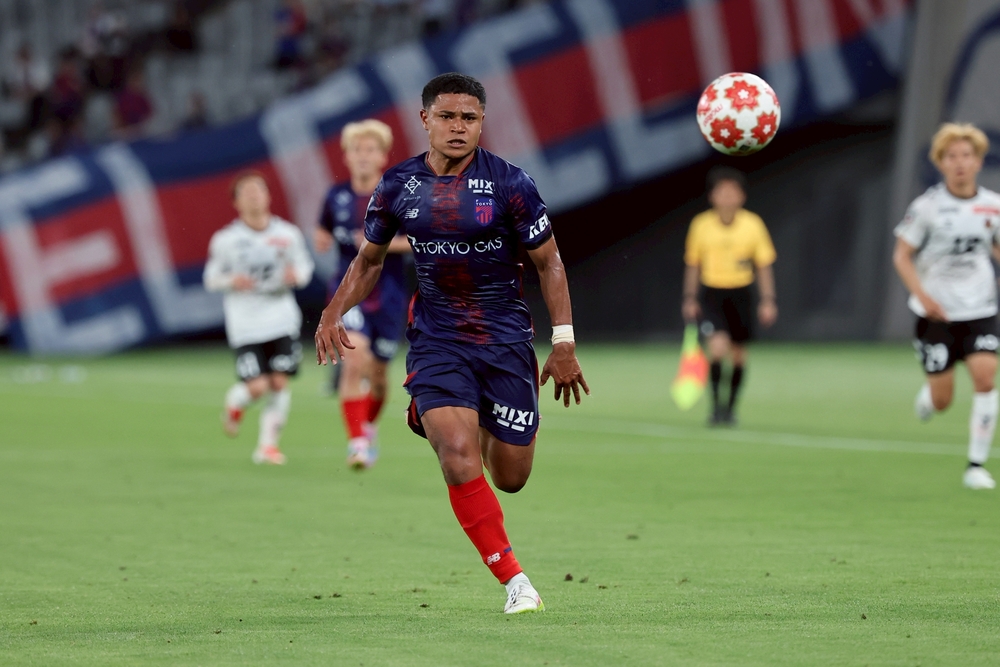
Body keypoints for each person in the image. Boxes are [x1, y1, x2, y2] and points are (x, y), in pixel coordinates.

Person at [315, 72, 589, 614]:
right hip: (437, 338)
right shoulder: (398, 185)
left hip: (505, 340)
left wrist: (563, 342)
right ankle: (516, 582)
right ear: (425, 120)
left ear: (482, 122)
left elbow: (549, 262)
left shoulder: (511, 184)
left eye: (469, 117)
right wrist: (332, 310)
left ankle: (477, 413)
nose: (458, 127)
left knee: (511, 477)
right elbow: (368, 260)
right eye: (447, 116)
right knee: (458, 455)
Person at [893, 123, 1000, 490]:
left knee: (986, 378)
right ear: (940, 163)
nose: (960, 163)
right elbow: (902, 255)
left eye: (966, 155)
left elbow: (995, 245)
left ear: (978, 161)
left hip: (980, 309)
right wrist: (922, 296)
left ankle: (975, 466)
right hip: (936, 314)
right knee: (943, 401)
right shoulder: (927, 208)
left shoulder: (993, 205)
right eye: (951, 156)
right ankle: (931, 394)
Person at [314, 119, 411, 469]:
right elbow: (323, 230)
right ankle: (356, 443)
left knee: (379, 375)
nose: (364, 156)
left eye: (371, 149)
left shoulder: (396, 195)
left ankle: (368, 427)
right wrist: (322, 239)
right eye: (357, 150)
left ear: (383, 156)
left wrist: (377, 245)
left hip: (389, 294)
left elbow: (416, 240)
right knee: (354, 359)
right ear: (347, 156)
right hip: (349, 292)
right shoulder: (336, 196)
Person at [204, 172, 314, 465]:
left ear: (268, 196)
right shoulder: (226, 240)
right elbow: (211, 278)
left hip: (281, 319)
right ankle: (234, 404)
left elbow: (305, 267)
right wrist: (231, 280)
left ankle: (267, 446)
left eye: (258, 190)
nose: (254, 195)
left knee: (278, 382)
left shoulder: (288, 234)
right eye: (246, 191)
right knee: (257, 386)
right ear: (236, 202)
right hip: (246, 323)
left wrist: (297, 276)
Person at [682, 166, 777, 426]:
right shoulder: (701, 225)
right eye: (721, 192)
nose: (727, 197)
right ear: (712, 196)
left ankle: (731, 409)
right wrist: (690, 297)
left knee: (738, 355)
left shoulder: (753, 224)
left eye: (732, 192)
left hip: (741, 293)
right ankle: (715, 408)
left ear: (741, 196)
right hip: (713, 293)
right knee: (717, 349)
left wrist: (768, 300)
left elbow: (763, 265)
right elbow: (693, 264)